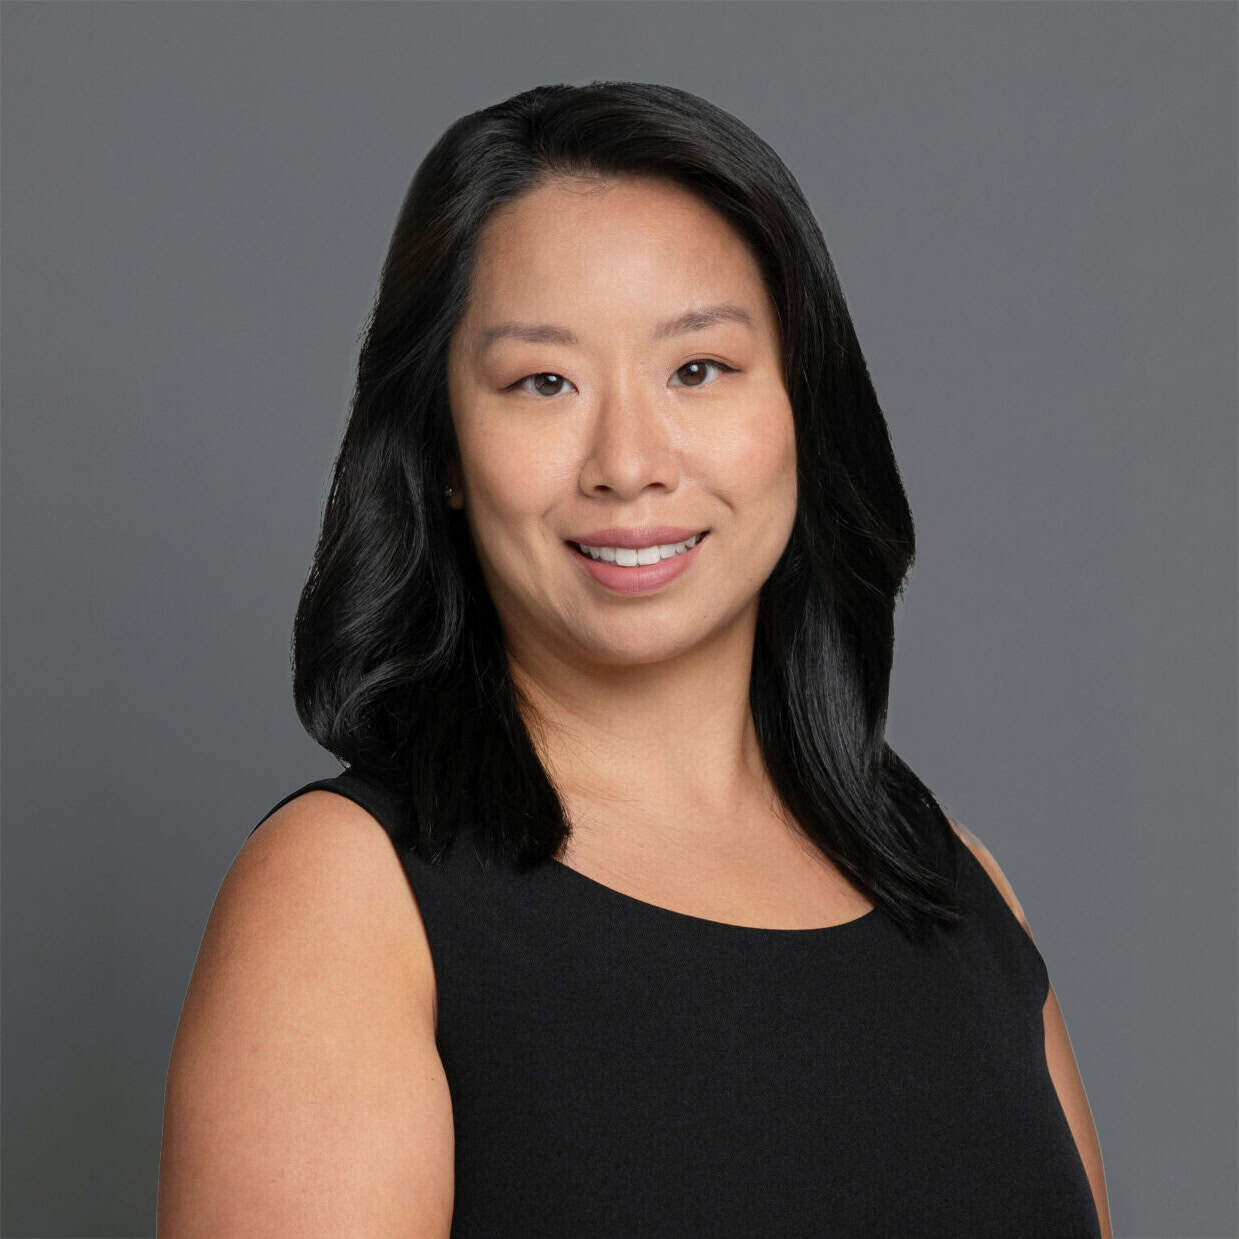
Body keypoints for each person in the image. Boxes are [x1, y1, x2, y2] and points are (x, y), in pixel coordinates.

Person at [157, 81, 1112, 1237]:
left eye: (698, 369)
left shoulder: (959, 890)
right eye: (542, 383)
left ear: (802, 405)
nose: (628, 462)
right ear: (446, 451)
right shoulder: (347, 897)